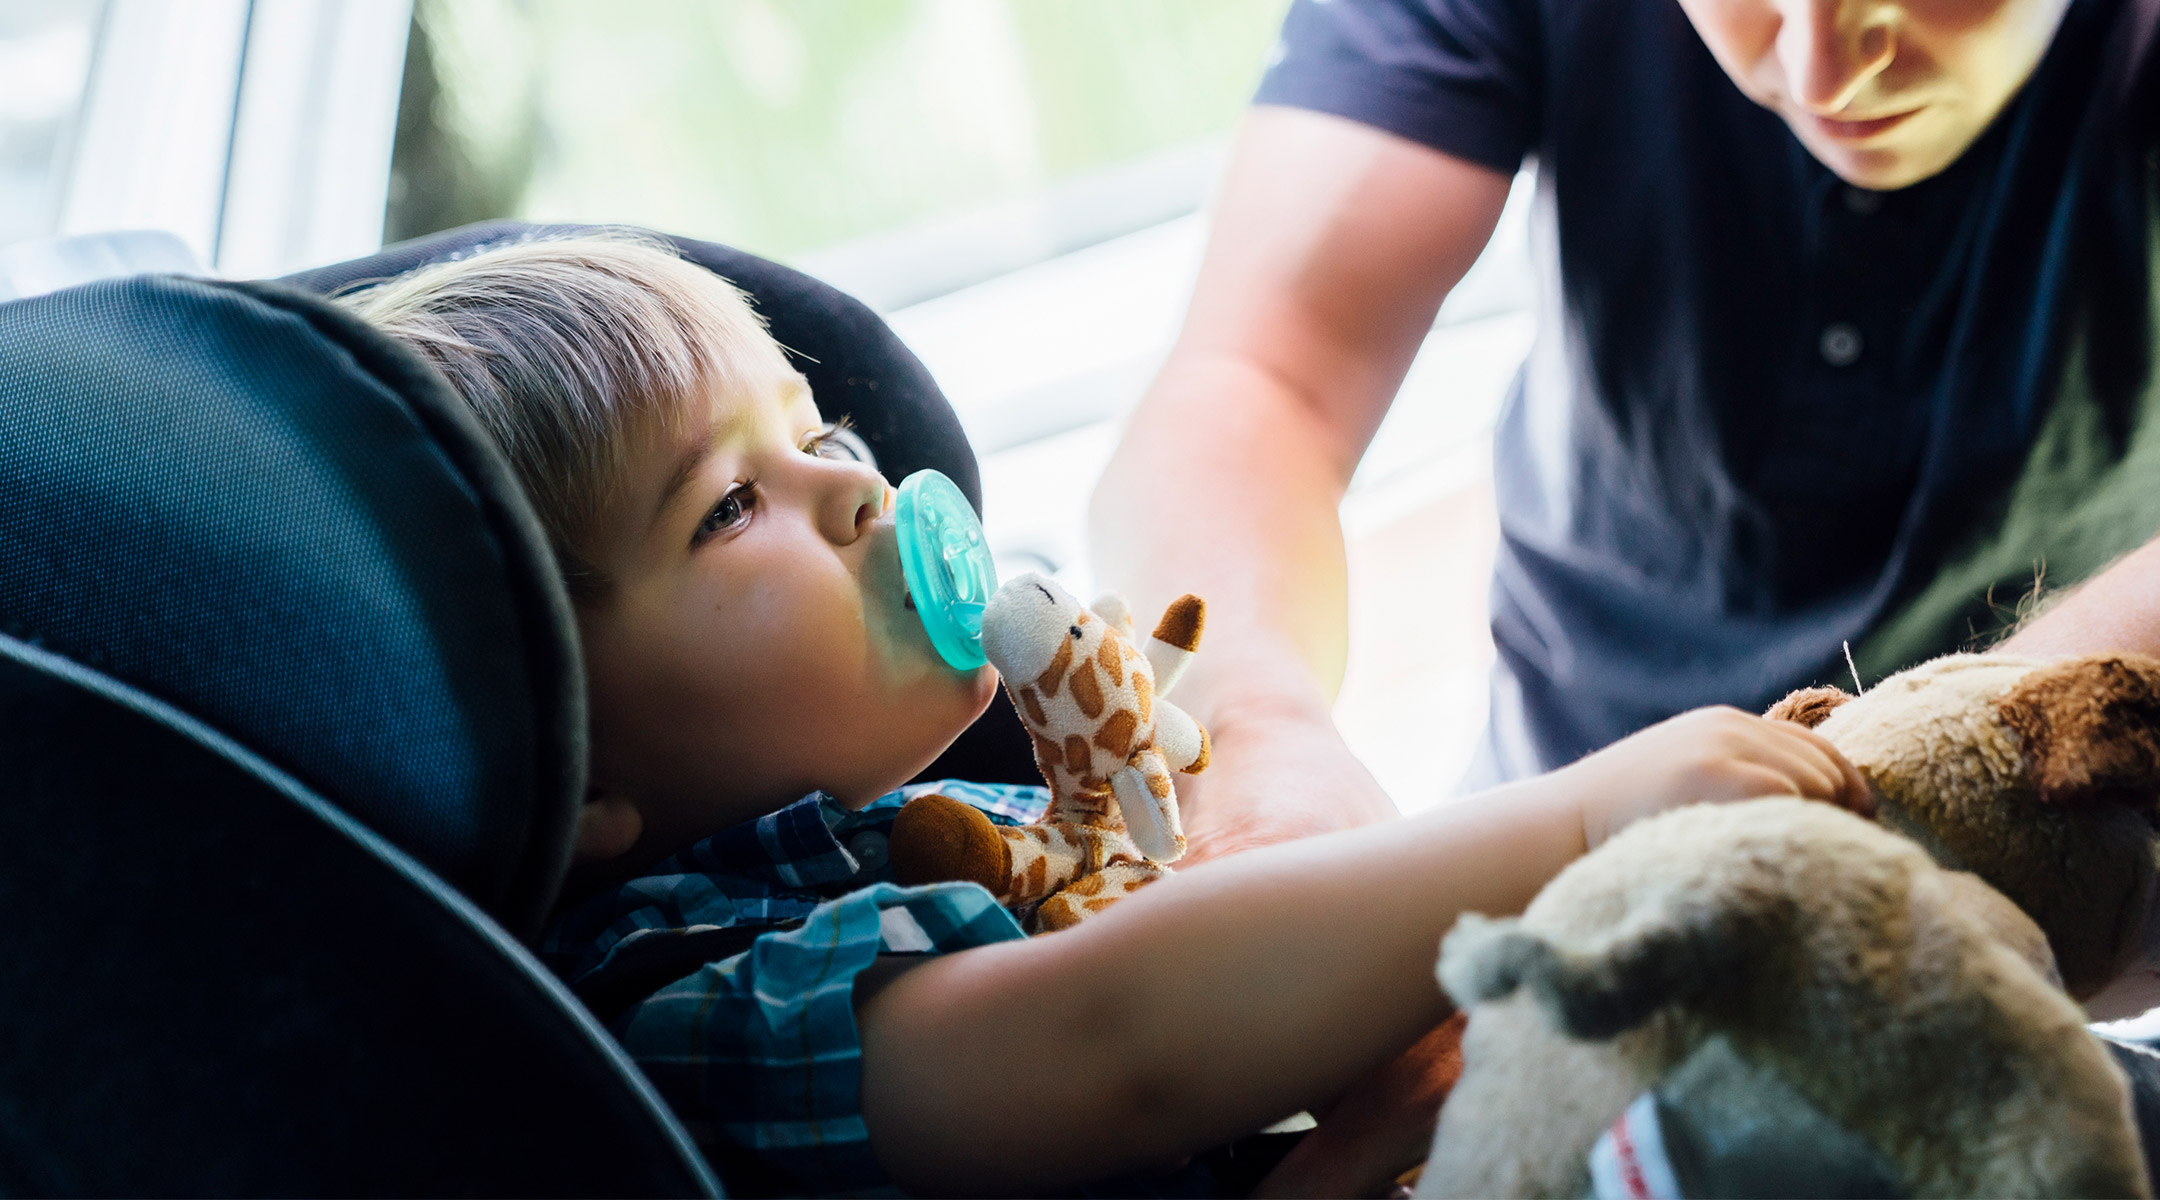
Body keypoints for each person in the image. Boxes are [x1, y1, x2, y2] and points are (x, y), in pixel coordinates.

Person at [337, 234, 1872, 1197]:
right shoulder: (692, 1017)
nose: (861, 487)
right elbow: (1119, 1038)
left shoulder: (944, 842)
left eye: (817, 432)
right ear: (576, 755)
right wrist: (1578, 820)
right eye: (734, 504)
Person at [1091, 0, 2160, 865]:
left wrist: (1834, 847)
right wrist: (1256, 735)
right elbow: (1258, 379)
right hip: (1544, 811)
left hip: (2050, 857)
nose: (1822, 66)